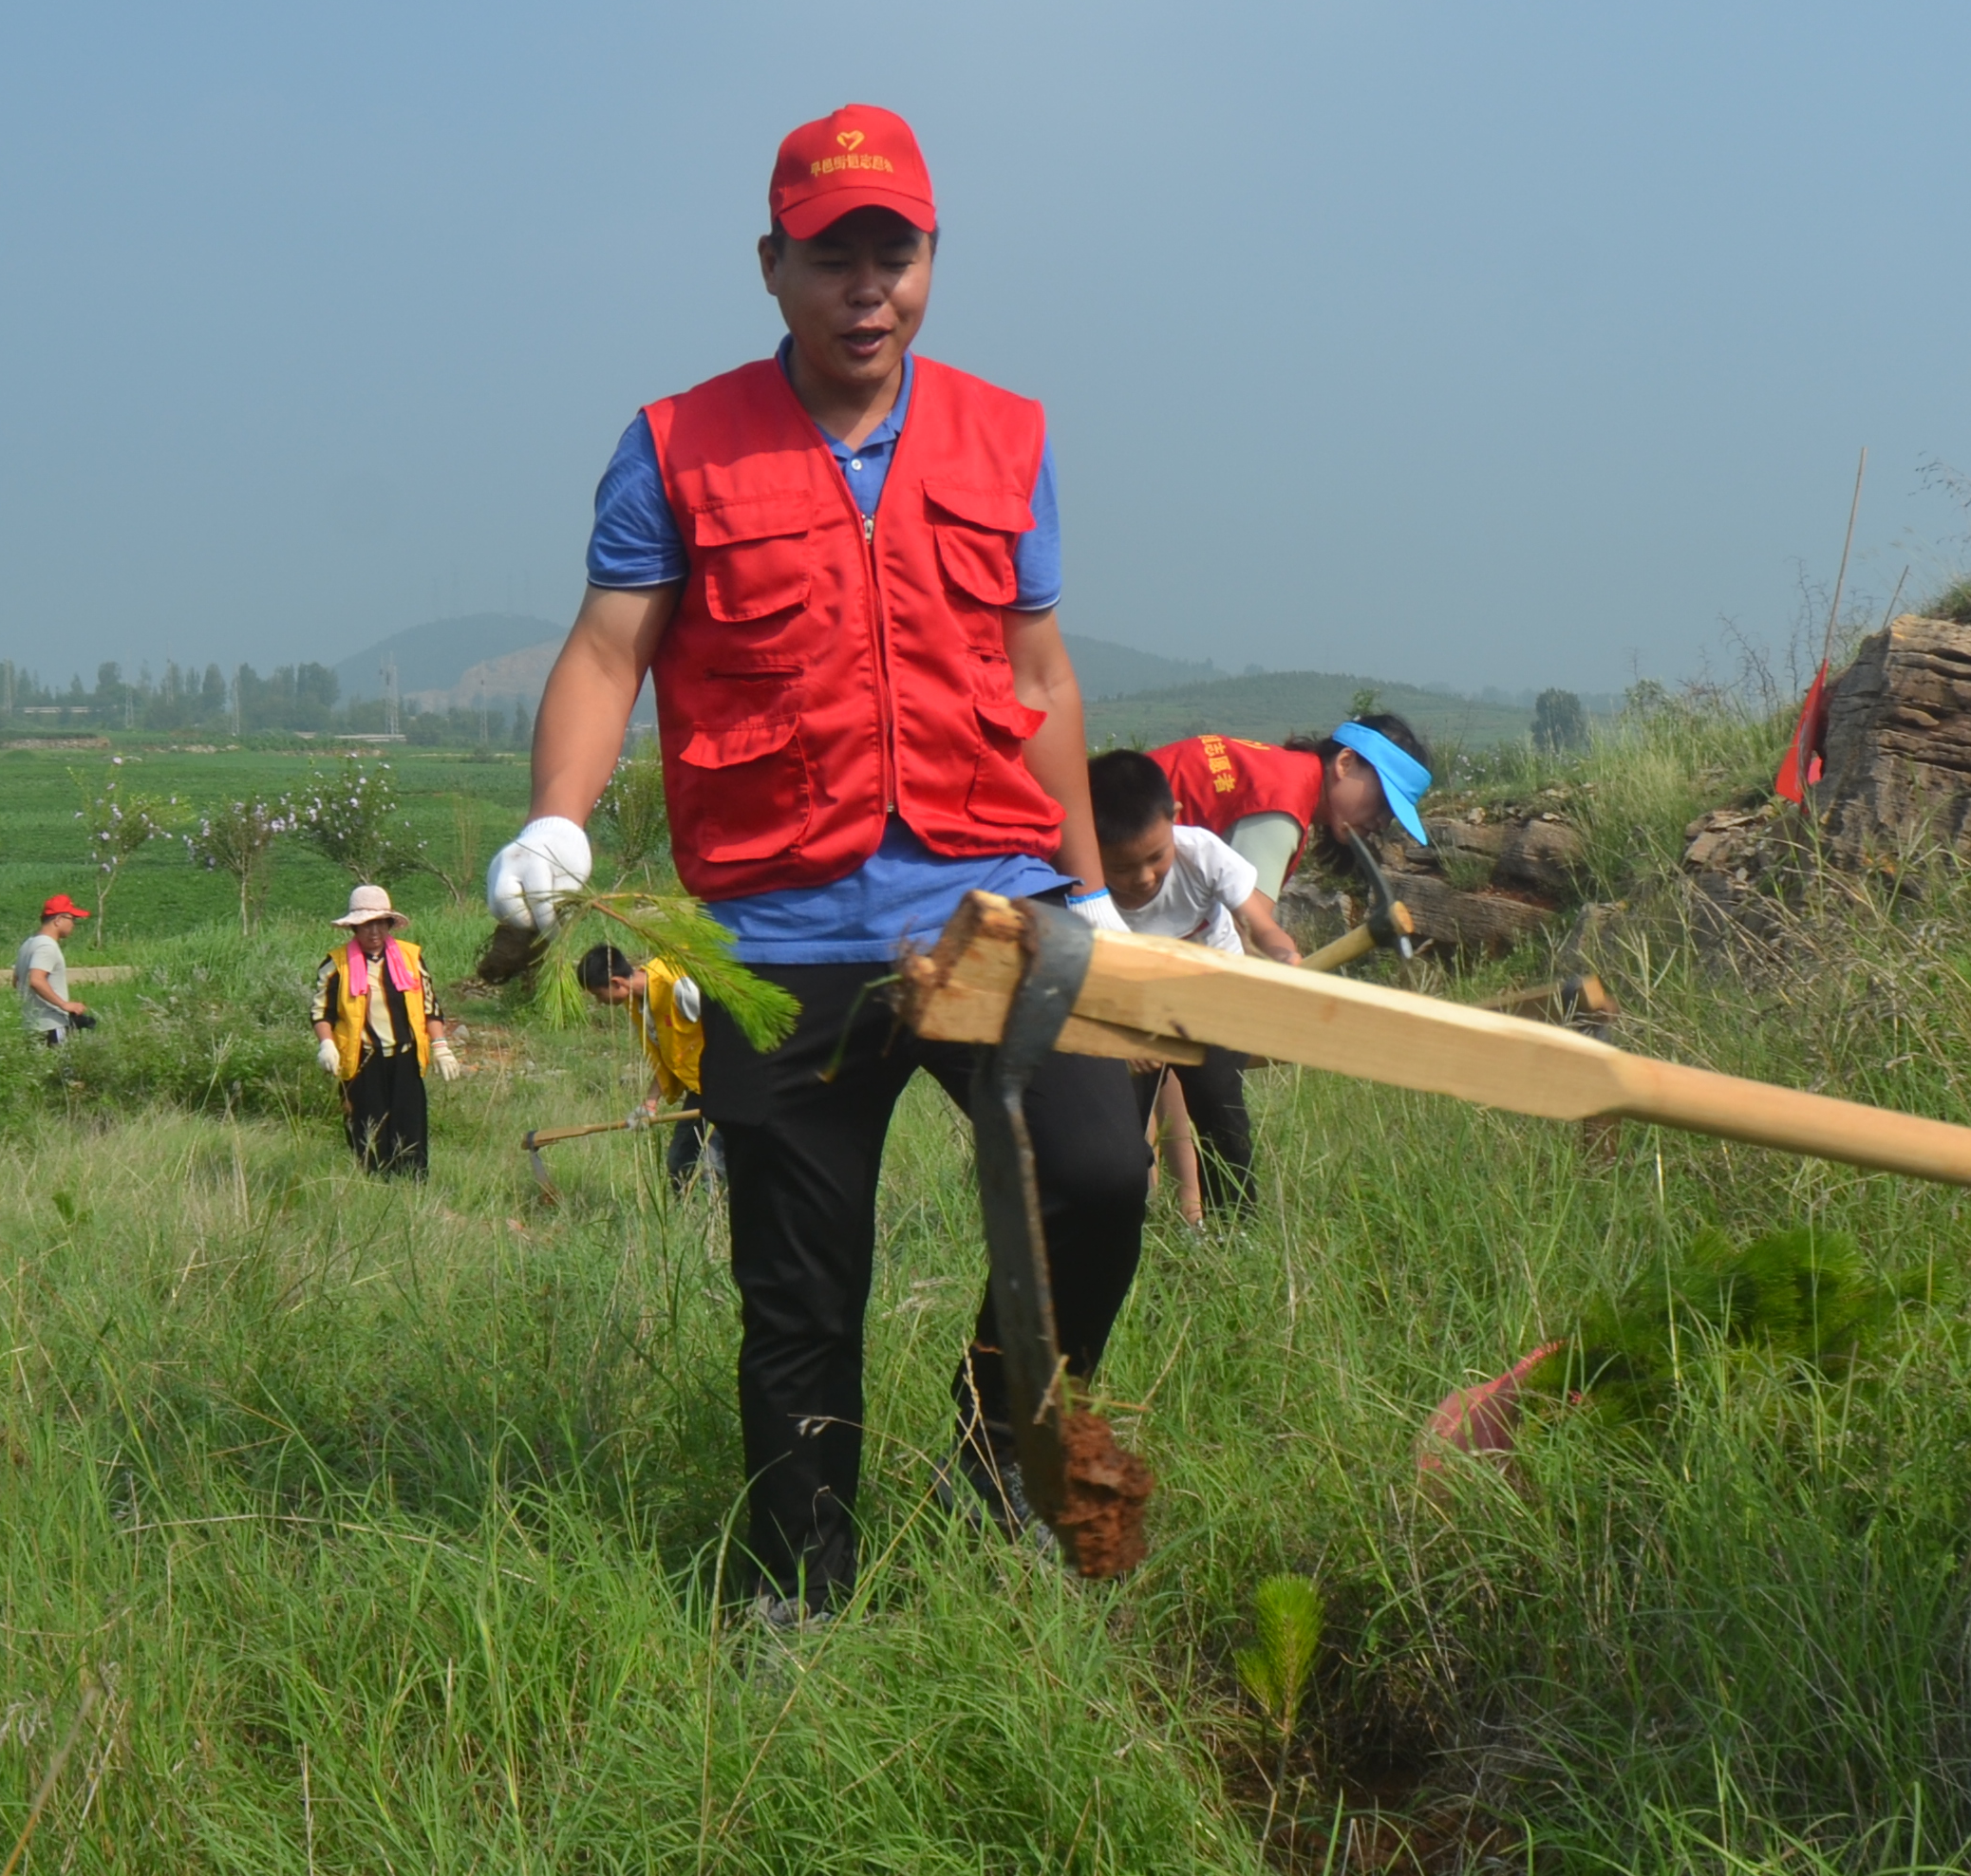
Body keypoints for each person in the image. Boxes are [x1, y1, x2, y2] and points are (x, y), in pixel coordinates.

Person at [481, 100, 1146, 1621]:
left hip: (997, 907)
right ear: (771, 267)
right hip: (779, 936)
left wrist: (1092, 889)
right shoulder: (675, 448)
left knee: (1100, 1179)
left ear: (930, 261)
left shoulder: (1004, 435)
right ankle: (799, 1599)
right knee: (800, 1285)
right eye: (834, 257)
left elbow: (1039, 677)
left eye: (895, 255)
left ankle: (991, 1465)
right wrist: (555, 817)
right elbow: (604, 653)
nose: (870, 290)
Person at [1088, 747, 1300, 1215]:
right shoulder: (1083, 888)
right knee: (1121, 1130)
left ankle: (1235, 1227)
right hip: (1133, 1012)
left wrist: (1283, 954)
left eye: (1155, 857)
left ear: (1174, 819)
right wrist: (1124, 1033)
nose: (1143, 878)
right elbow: (1091, 972)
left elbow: (1259, 924)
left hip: (1210, 1002)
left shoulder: (1202, 853)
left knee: (1221, 1117)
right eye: (1121, 868)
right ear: (1089, 846)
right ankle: (1127, 1223)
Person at [1146, 712, 1434, 902]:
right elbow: (1246, 932)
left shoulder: (1288, 773)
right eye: (1383, 801)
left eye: (1392, 814)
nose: (1383, 821)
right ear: (1345, 763)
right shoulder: (1283, 803)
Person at [312, 883, 441, 1175]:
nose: (374, 933)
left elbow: (430, 1007)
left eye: (380, 925)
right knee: (367, 1129)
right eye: (366, 926)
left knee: (410, 1127)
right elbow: (321, 1012)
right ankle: (374, 1188)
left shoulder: (411, 958)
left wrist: (441, 1047)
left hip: (405, 1058)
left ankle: (413, 1188)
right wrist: (327, 1044)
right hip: (362, 1060)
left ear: (389, 925)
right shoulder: (336, 965)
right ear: (354, 929)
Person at [573, 942, 714, 1192]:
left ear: (617, 983)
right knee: (679, 1164)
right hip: (701, 1088)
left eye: (597, 994)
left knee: (713, 1170)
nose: (598, 1001)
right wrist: (650, 1103)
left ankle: (723, 1224)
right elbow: (669, 1053)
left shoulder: (677, 984)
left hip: (729, 1083)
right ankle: (687, 1224)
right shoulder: (638, 1003)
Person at [17, 893, 98, 1049]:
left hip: (31, 1024)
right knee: (62, 1071)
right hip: (52, 1024)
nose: (73, 924)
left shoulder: (28, 944)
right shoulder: (47, 946)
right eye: (72, 919)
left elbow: (17, 981)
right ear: (58, 920)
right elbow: (36, 980)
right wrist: (64, 1004)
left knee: (38, 1070)